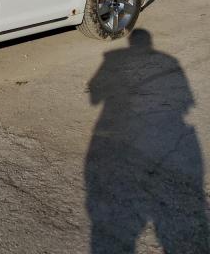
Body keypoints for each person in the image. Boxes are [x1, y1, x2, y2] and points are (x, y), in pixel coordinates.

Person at [86, 29, 209, 253]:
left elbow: (94, 96)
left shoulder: (112, 59)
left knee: (114, 222)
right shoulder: (171, 61)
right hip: (161, 136)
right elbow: (187, 103)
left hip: (119, 137)